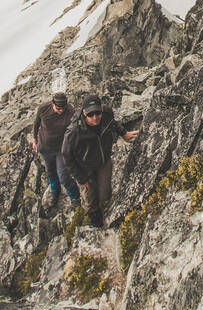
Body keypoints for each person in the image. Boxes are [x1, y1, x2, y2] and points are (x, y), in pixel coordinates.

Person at [61, 94, 139, 227]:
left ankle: (106, 214)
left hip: (103, 162)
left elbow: (113, 123)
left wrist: (124, 133)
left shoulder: (107, 114)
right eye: (91, 114)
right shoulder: (75, 130)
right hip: (84, 168)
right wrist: (80, 178)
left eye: (98, 113)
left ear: (102, 110)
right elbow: (66, 155)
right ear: (84, 113)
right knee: (90, 199)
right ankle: (95, 223)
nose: (95, 117)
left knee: (104, 195)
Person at [29, 92, 78, 206]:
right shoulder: (43, 109)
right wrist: (34, 139)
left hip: (61, 150)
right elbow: (36, 123)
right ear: (52, 104)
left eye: (63, 108)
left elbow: (75, 130)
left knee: (64, 177)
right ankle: (55, 193)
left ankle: (75, 199)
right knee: (50, 172)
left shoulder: (70, 111)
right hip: (45, 148)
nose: (61, 111)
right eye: (58, 108)